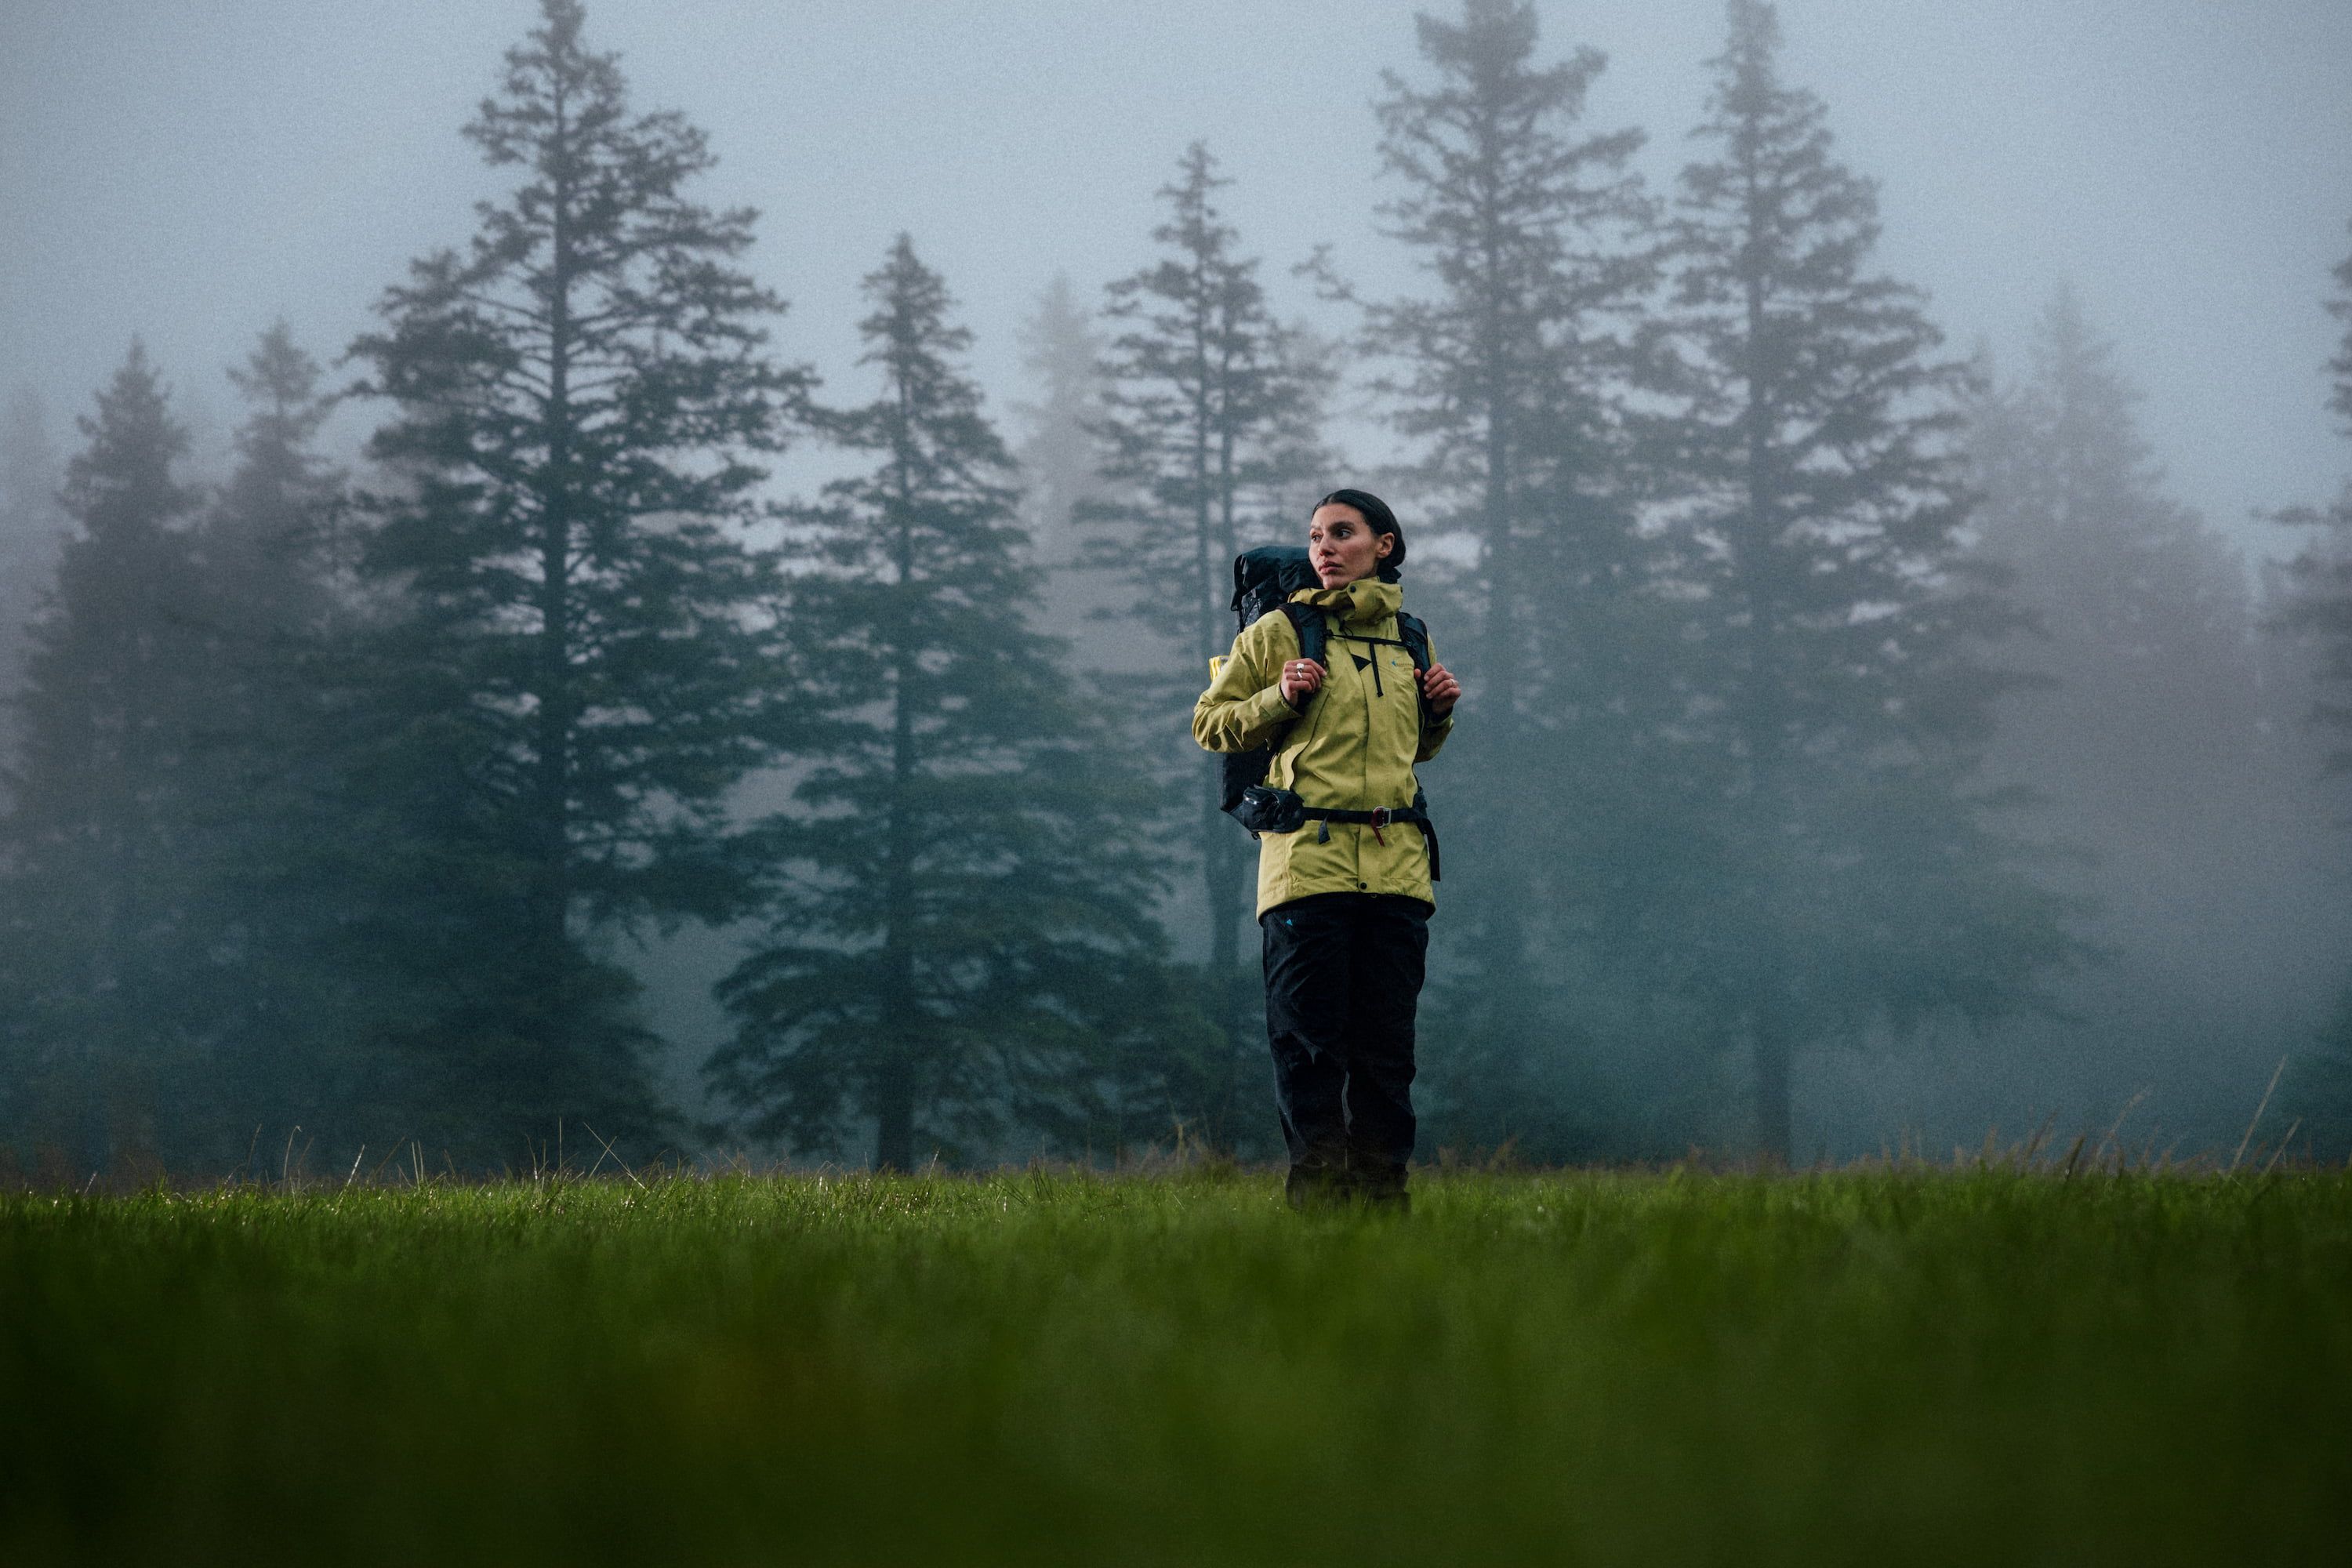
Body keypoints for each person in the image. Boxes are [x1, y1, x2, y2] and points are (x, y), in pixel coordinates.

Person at [1192, 488, 1461, 1210]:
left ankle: (1382, 1201)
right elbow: (1210, 723)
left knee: (1386, 1055)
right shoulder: (1280, 633)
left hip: (1398, 870)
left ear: (1385, 546)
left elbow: (1414, 753)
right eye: (1316, 536)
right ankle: (1318, 1204)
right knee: (1310, 1050)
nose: (1324, 547)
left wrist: (1438, 712)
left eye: (1342, 533)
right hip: (1305, 869)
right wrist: (1279, 695)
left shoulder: (1412, 638)